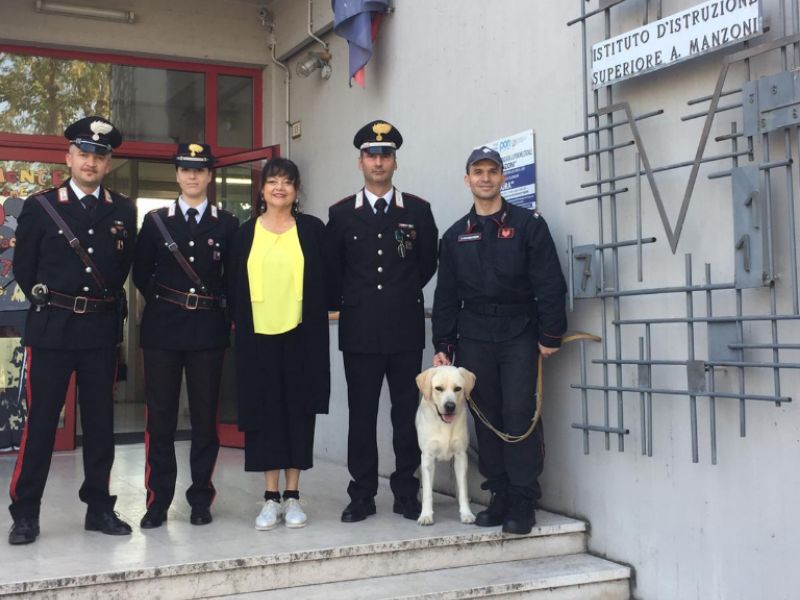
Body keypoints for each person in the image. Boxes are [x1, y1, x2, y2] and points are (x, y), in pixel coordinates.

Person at [8, 116, 136, 544]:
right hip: (53, 329)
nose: (90, 162)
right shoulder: (42, 206)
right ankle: (26, 512)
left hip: (99, 331)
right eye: (83, 153)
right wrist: (56, 301)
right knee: (42, 423)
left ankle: (99, 508)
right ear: (69, 157)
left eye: (99, 156)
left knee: (100, 425)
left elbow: (122, 266)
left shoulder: (123, 209)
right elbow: (25, 268)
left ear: (108, 163)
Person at [431, 146, 567, 535]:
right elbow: (446, 295)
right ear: (467, 179)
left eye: (492, 171)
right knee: (486, 416)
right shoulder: (455, 235)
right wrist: (444, 345)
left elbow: (549, 281)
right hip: (474, 334)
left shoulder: (528, 225)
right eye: (478, 172)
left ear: (503, 178)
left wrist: (550, 332)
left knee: (519, 412)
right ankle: (500, 494)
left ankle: (523, 498)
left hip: (519, 331)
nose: (485, 178)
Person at [327, 120, 438, 522]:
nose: (378, 162)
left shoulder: (417, 211)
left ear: (395, 161)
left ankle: (406, 492)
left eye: (385, 155)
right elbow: (334, 269)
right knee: (361, 416)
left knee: (407, 415)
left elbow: (426, 264)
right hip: (359, 331)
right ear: (360, 162)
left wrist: (397, 294)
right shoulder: (341, 213)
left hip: (404, 329)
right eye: (371, 155)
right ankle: (362, 494)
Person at [132, 143, 239, 529]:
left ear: (209, 175)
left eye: (199, 170)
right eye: (185, 169)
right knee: (160, 418)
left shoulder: (227, 224)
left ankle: (200, 497)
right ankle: (158, 500)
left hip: (207, 331)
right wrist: (170, 302)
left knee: (205, 419)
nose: (192, 176)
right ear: (177, 174)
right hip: (162, 330)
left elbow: (232, 279)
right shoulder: (156, 221)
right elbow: (141, 273)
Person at [228, 157, 330, 530]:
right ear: (262, 189)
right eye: (272, 181)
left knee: (298, 413)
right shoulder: (244, 234)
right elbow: (231, 286)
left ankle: (293, 495)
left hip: (302, 335)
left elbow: (328, 278)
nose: (279, 187)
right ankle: (270, 497)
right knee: (264, 413)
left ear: (297, 190)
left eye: (287, 181)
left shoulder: (313, 230)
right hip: (257, 338)